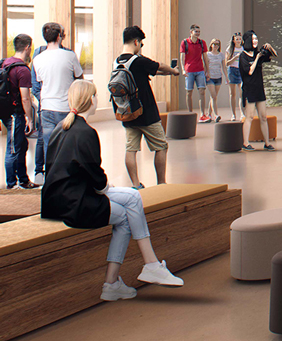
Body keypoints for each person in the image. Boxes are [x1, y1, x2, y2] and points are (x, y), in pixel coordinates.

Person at [41, 80, 185, 301]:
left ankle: (121, 280)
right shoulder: (85, 132)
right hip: (76, 204)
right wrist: (108, 188)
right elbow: (97, 181)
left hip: (56, 201)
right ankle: (146, 267)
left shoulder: (61, 128)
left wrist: (105, 187)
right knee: (133, 200)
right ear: (91, 100)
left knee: (130, 203)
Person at [116, 26, 180, 187]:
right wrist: (173, 71)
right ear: (137, 42)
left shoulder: (117, 62)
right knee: (161, 146)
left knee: (131, 149)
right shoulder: (138, 60)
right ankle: (161, 183)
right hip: (147, 113)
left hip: (128, 112)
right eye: (141, 44)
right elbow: (160, 66)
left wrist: (167, 72)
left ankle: (136, 184)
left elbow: (152, 72)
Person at [34, 23, 85, 169]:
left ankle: (50, 177)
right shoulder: (69, 56)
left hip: (46, 109)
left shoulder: (38, 59)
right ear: (59, 36)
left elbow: (40, 81)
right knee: (67, 146)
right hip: (65, 108)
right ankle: (67, 177)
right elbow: (80, 79)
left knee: (49, 146)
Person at [3, 35, 37, 189]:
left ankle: (23, 179)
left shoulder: (6, 63)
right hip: (15, 114)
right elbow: (25, 99)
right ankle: (11, 184)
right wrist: (30, 119)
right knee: (13, 148)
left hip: (5, 111)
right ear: (28, 47)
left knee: (21, 145)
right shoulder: (22, 69)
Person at [238, 30, 279, 151]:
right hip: (249, 89)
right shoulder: (243, 56)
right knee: (249, 117)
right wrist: (257, 58)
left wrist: (269, 47)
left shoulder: (257, 53)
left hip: (259, 89)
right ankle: (245, 142)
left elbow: (274, 55)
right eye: (253, 39)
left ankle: (267, 142)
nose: (255, 41)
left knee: (263, 117)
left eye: (256, 39)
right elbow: (249, 71)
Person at [179, 25, 210, 124]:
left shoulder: (202, 43)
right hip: (189, 70)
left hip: (200, 70)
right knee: (189, 92)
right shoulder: (185, 43)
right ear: (191, 32)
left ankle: (202, 114)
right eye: (196, 31)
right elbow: (182, 57)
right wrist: (183, 69)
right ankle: (190, 114)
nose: (197, 33)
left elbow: (205, 57)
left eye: (198, 31)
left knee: (202, 91)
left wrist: (207, 71)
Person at [203, 39, 225, 121]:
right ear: (211, 44)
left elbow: (224, 66)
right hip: (210, 77)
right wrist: (205, 74)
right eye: (214, 44)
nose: (216, 45)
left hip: (218, 77)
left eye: (217, 44)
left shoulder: (221, 55)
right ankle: (216, 115)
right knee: (214, 96)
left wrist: (226, 77)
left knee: (213, 97)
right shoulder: (207, 54)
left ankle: (209, 114)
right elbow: (205, 65)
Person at [225, 34, 244, 122]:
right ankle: (233, 114)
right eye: (237, 39)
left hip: (241, 70)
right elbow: (227, 63)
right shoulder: (230, 49)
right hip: (232, 70)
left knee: (242, 92)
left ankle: (242, 113)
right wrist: (235, 57)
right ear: (233, 40)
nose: (238, 41)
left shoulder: (243, 49)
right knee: (232, 94)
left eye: (240, 39)